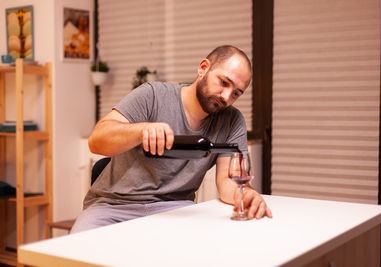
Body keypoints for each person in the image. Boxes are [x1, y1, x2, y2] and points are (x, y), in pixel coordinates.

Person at [71, 45, 272, 233]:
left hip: (176, 209)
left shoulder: (232, 120)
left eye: (236, 93)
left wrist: (245, 194)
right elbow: (96, 141)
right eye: (224, 82)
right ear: (203, 68)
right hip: (111, 207)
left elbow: (228, 180)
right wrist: (141, 131)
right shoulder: (152, 95)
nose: (226, 97)